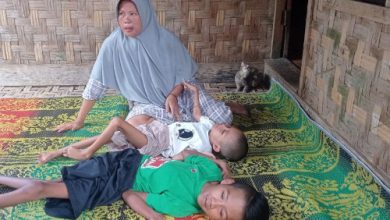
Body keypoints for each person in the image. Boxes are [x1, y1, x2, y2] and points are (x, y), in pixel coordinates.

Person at [54, 0, 245, 134]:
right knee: (135, 133)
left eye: (133, 13)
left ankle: (224, 106)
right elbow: (96, 85)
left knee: (222, 119)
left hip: (182, 93)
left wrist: (173, 95)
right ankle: (186, 121)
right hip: (146, 103)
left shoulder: (166, 40)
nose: (126, 19)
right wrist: (79, 121)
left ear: (144, 15)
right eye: (121, 14)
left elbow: (184, 77)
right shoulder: (112, 45)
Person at [1, 149, 270, 220]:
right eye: (224, 194)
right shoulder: (209, 169)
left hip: (119, 180)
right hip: (125, 159)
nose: (214, 202)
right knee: (46, 186)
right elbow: (188, 152)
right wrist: (215, 160)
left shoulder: (180, 206)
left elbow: (130, 193)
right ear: (228, 182)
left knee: (44, 187)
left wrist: (152, 215)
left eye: (221, 212)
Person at [39, 82, 248, 164]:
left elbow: (191, 158)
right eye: (227, 126)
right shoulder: (207, 125)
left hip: (157, 143)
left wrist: (165, 159)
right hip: (157, 128)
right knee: (108, 136)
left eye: (224, 131)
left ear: (217, 146)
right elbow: (196, 112)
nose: (223, 126)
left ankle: (86, 153)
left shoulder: (206, 150)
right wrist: (193, 94)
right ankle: (59, 152)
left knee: (116, 122)